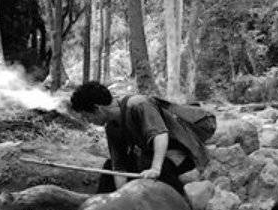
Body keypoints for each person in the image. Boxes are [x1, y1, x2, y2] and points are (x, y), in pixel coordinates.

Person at [67, 80, 216, 196]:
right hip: (151, 159)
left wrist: (155, 168)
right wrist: (122, 196)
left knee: (147, 162)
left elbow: (160, 135)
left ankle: (181, 205)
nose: (88, 121)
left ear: (97, 108)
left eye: (87, 116)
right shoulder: (112, 127)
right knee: (109, 166)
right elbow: (119, 166)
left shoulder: (138, 104)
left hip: (181, 155)